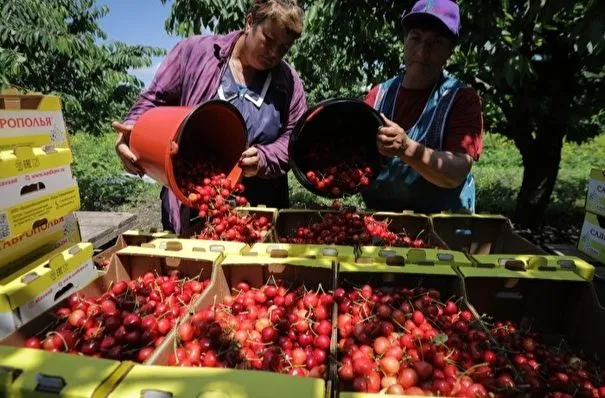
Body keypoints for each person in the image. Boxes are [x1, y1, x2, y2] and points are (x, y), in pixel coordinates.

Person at [112, 0, 307, 233]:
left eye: (284, 48)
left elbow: (295, 139)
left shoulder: (287, 82)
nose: (274, 53)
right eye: (269, 39)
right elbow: (153, 99)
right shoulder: (195, 53)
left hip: (257, 212)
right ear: (250, 22)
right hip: (192, 196)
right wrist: (132, 132)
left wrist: (265, 157)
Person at [362, 0, 484, 214]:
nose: (422, 50)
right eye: (415, 38)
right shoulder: (378, 95)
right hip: (385, 228)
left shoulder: (461, 99)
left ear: (449, 52)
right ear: (404, 42)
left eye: (435, 42)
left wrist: (406, 148)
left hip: (444, 231)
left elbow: (456, 172)